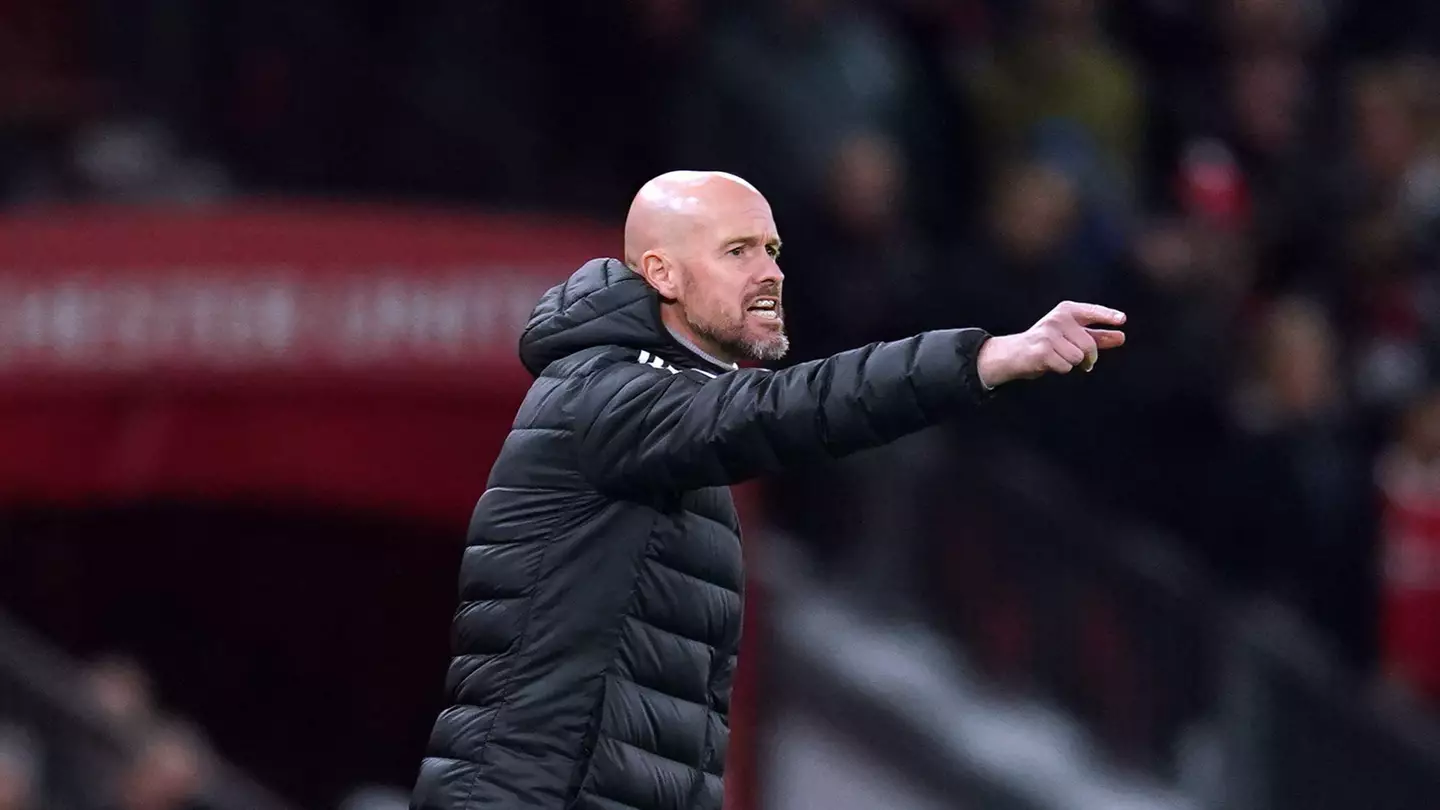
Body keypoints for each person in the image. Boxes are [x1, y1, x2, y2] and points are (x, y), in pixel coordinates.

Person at [411, 170, 1126, 810]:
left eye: (773, 250)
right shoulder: (604, 396)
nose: (770, 272)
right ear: (661, 272)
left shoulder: (659, 419)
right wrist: (981, 359)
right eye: (737, 251)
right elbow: (790, 409)